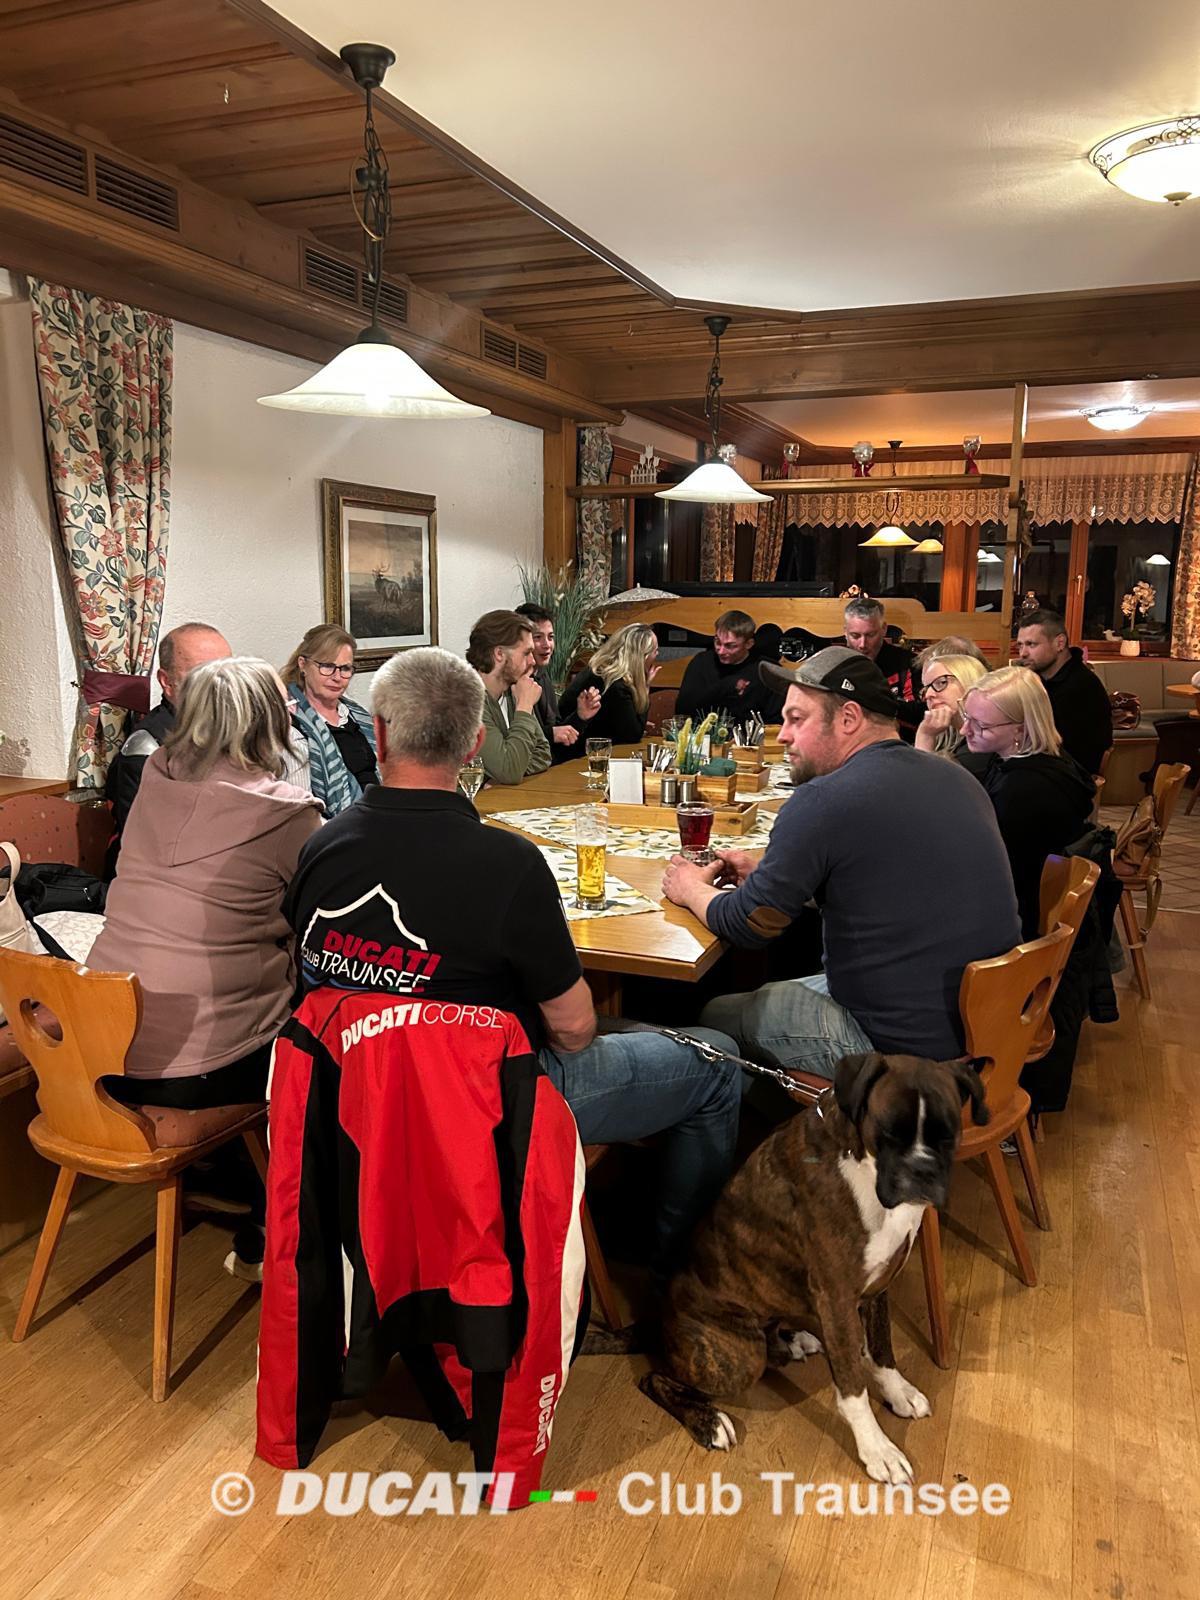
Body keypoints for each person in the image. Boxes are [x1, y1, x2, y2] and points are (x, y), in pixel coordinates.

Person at [282, 646, 740, 1274]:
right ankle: (678, 1278)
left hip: (349, 1095)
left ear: (379, 734)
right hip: (487, 1102)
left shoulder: (319, 846)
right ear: (475, 744)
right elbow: (575, 1032)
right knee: (720, 1059)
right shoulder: (509, 864)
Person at [661, 647, 1020, 1082]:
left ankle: (792, 1116)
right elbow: (888, 884)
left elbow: (750, 923)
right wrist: (779, 882)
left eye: (797, 719)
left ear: (848, 718)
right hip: (990, 1033)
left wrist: (689, 887)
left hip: (903, 1058)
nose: (783, 736)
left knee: (714, 1015)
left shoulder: (824, 799)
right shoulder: (956, 776)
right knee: (777, 987)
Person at [89, 657, 323, 1278]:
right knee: (326, 1040)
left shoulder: (155, 775)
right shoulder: (288, 814)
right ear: (270, 725)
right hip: (196, 1070)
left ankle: (240, 1182)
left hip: (101, 1044)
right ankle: (279, 1228)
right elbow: (321, 914)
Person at [959, 667, 1095, 938]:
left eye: (981, 725)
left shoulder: (1025, 790)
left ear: (1020, 730)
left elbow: (990, 871)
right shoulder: (1047, 760)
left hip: (1019, 922)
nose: (965, 730)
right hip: (1022, 899)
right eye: (966, 717)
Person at [105, 621, 231, 871]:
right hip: (163, 879)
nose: (220, 684)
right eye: (203, 674)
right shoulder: (148, 748)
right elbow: (152, 846)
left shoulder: (236, 730)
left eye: (228, 671)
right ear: (167, 681)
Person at [283, 625, 377, 816]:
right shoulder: (290, 725)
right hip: (334, 826)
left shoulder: (356, 715)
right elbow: (300, 809)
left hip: (380, 815)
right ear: (303, 664)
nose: (337, 677)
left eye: (345, 669)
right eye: (327, 666)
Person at [1015, 609, 1113, 775]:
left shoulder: (1080, 686)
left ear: (1059, 643)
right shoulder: (1041, 679)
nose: (1023, 653)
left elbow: (1062, 750)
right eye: (1020, 645)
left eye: (1031, 644)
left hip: (1069, 776)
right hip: (1048, 767)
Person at [468, 609, 552, 784]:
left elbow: (543, 754)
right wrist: (525, 706)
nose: (532, 661)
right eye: (526, 653)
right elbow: (509, 771)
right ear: (499, 654)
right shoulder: (468, 702)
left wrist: (502, 773)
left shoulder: (513, 690)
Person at [514, 601, 601, 763]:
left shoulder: (543, 676)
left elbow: (559, 735)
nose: (547, 645)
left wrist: (580, 716)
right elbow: (515, 738)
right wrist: (551, 734)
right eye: (538, 637)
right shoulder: (513, 683)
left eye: (551, 637)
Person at [558, 623, 659, 744]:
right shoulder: (615, 683)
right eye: (655, 650)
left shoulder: (600, 671)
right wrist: (645, 688)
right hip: (576, 751)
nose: (657, 654)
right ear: (643, 657)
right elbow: (632, 735)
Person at [675, 609, 778, 723]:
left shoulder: (767, 670)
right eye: (718, 642)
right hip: (704, 732)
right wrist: (728, 686)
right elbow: (682, 712)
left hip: (751, 733)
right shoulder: (701, 662)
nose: (721, 651)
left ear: (749, 644)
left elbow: (776, 720)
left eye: (730, 646)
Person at [842, 596, 922, 733]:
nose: (862, 644)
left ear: (884, 629)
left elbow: (921, 714)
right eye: (855, 636)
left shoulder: (909, 663)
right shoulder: (836, 664)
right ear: (845, 632)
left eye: (870, 635)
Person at [914, 652, 990, 756]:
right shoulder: (944, 741)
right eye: (926, 688)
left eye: (941, 682)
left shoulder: (987, 740)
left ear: (969, 682)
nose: (928, 695)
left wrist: (925, 737)